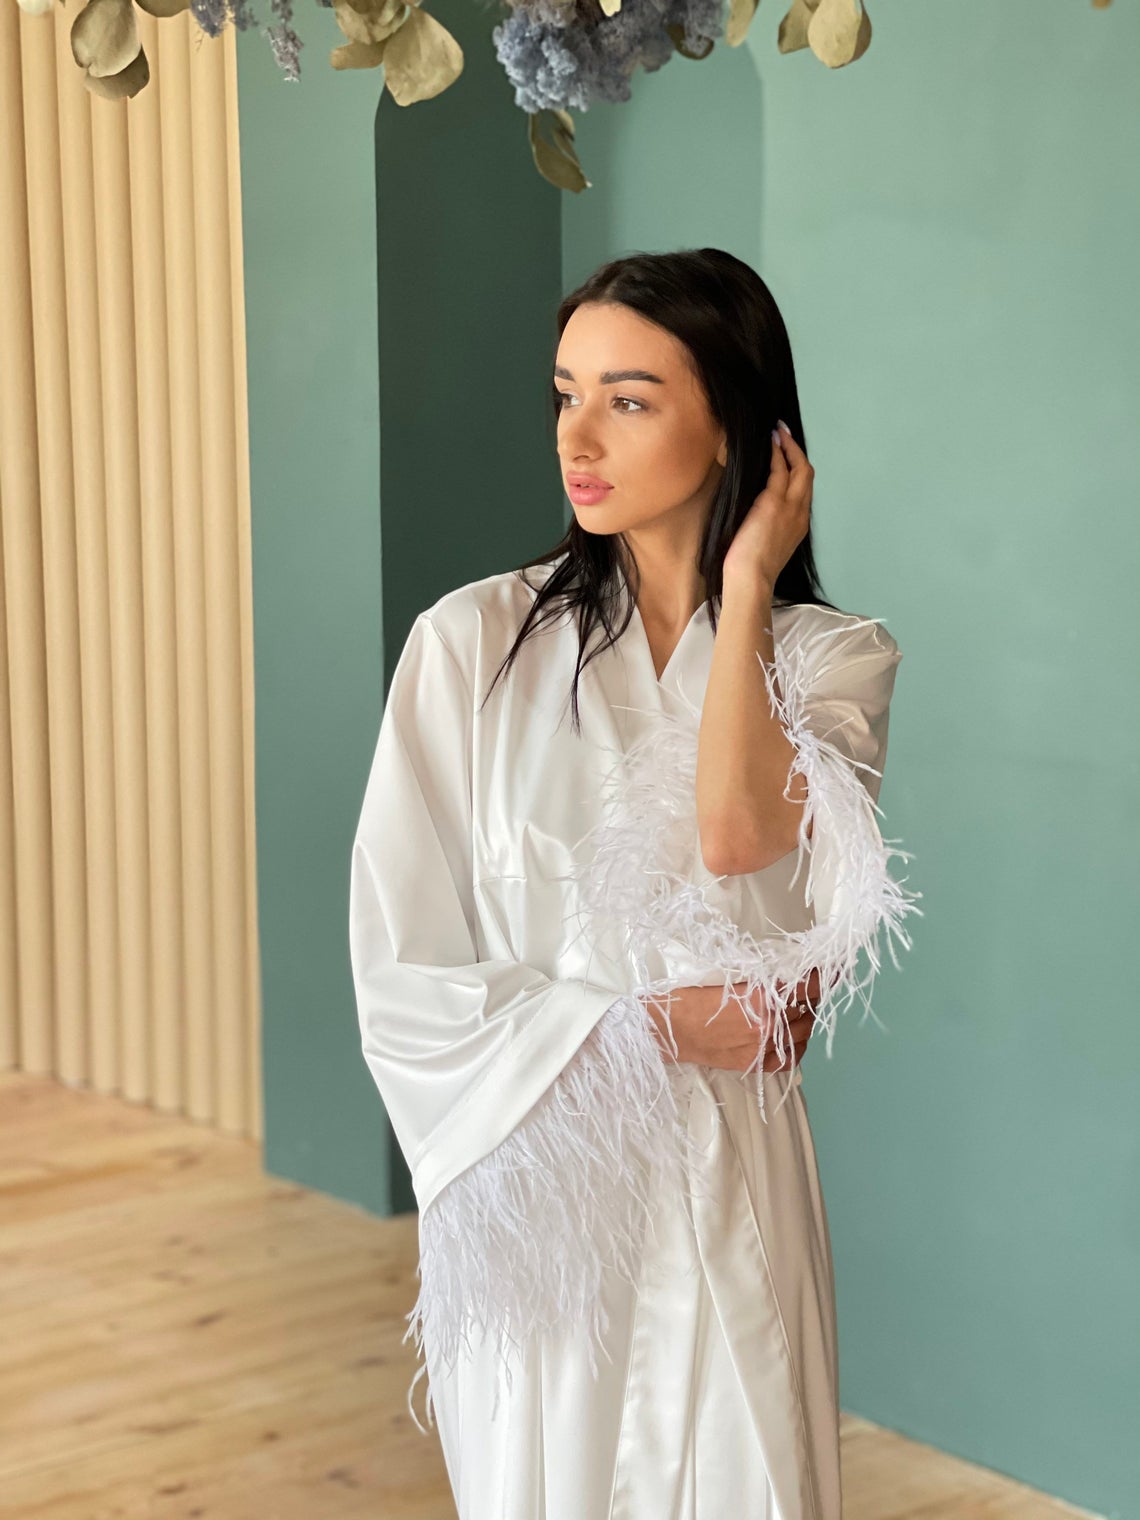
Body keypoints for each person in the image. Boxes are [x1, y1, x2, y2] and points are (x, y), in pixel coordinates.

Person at [347, 247, 921, 1520]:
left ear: (738, 427)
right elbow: (402, 966)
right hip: (544, 1187)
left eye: (631, 397)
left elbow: (732, 835)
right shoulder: (470, 646)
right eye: (566, 392)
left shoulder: (831, 661)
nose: (578, 435)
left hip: (733, 1184)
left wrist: (747, 584)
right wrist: (644, 1024)